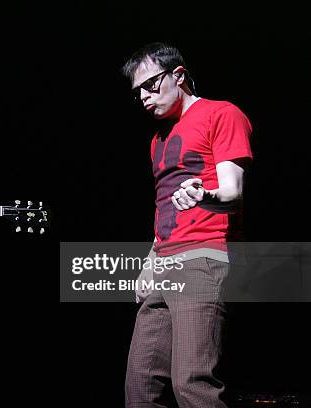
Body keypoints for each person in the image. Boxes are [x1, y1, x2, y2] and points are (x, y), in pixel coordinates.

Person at [121, 43, 253, 407]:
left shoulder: (221, 114)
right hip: (163, 262)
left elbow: (233, 193)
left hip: (204, 257)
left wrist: (202, 195)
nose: (145, 98)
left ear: (178, 76)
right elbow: (164, 208)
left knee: (192, 385)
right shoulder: (157, 141)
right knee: (141, 390)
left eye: (151, 85)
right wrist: (149, 261)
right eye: (137, 94)